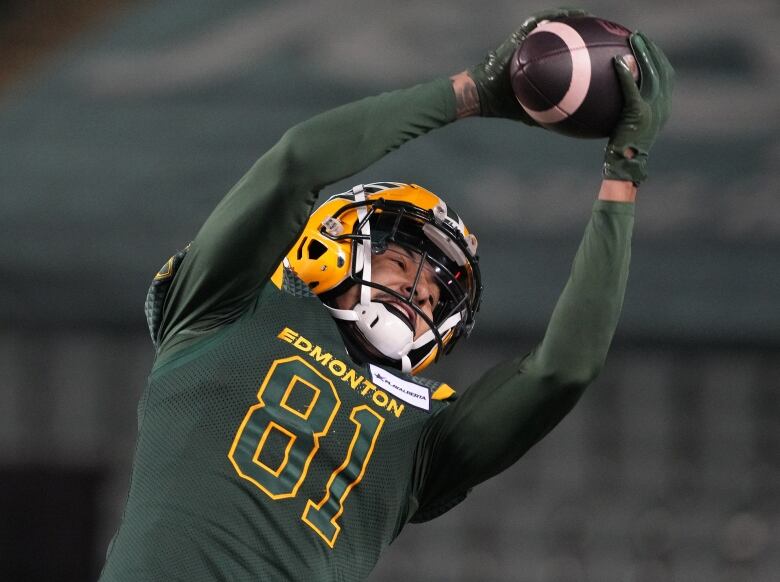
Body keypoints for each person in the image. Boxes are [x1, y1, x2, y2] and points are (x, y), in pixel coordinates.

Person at [100, 8, 673, 581]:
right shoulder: (227, 307)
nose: (416, 293)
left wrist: (625, 170)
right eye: (401, 262)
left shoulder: (425, 433)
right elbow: (296, 164)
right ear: (333, 242)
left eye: (433, 296)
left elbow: (565, 369)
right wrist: (471, 91)